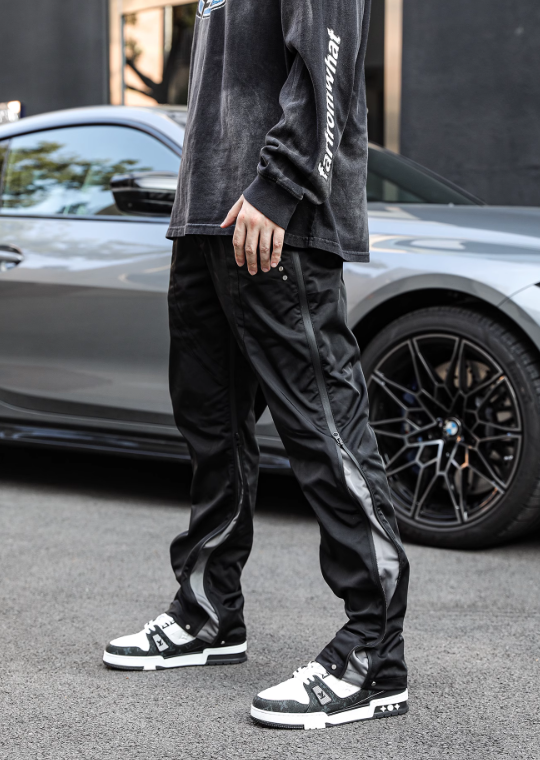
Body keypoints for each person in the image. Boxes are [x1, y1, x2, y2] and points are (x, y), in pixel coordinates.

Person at [103, 0, 410, 729]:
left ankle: (374, 655)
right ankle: (207, 610)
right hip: (207, 218)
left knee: (323, 430)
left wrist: (280, 186)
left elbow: (327, 60)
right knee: (212, 430)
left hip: (276, 221)